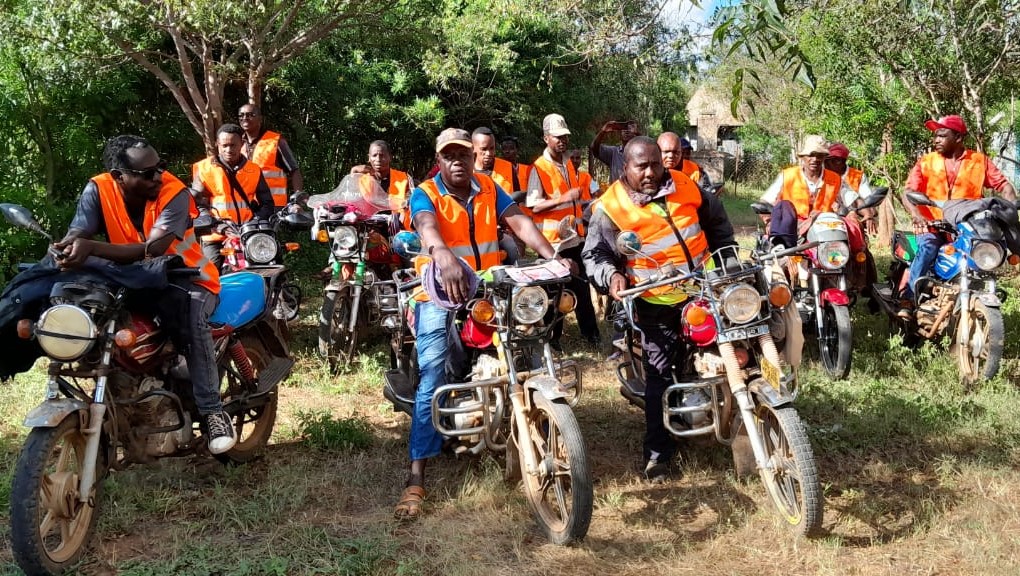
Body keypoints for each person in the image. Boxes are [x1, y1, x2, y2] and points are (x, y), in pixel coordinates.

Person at [394, 128, 570, 520]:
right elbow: (426, 227)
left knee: (529, 350)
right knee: (434, 373)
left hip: (490, 289)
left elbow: (519, 222)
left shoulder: (489, 187)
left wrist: (550, 255)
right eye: (449, 156)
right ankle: (416, 476)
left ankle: (545, 433)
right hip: (439, 291)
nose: (457, 161)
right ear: (439, 161)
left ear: (474, 157)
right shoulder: (426, 192)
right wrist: (441, 256)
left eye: (463, 154)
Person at [54, 135, 235, 454]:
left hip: (189, 279)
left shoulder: (174, 191)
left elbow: (153, 250)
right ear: (118, 176)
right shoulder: (98, 188)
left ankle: (212, 413)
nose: (157, 176)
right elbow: (79, 230)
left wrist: (91, 248)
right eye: (146, 172)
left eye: (159, 167)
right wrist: (69, 246)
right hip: (134, 279)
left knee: (192, 318)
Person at [583, 136, 735, 482]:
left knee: (742, 346)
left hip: (703, 291)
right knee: (659, 375)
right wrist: (613, 277)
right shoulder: (611, 206)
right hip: (655, 300)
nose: (652, 172)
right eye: (642, 166)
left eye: (656, 164)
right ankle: (657, 455)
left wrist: (727, 254)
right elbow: (595, 255)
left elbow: (716, 221)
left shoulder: (685, 184)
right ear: (625, 167)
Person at [900, 115, 1016, 313]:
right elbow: (908, 192)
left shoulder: (979, 161)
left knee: (984, 256)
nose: (936, 140)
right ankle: (909, 299)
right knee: (928, 248)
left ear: (958, 138)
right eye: (935, 136)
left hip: (968, 226)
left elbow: (1004, 186)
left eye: (942, 136)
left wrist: (1009, 207)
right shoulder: (926, 161)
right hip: (932, 225)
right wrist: (916, 214)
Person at [527, 113, 601, 348]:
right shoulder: (538, 169)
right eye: (557, 137)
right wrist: (563, 198)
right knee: (553, 294)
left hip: (574, 238)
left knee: (581, 287)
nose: (562, 141)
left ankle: (592, 335)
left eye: (565, 137)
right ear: (546, 138)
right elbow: (534, 206)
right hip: (553, 245)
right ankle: (551, 338)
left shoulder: (567, 163)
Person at [192, 124, 275, 268]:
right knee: (210, 276)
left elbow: (267, 202)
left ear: (242, 144)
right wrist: (218, 225)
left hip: (249, 233)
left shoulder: (253, 169)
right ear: (217, 144)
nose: (228, 150)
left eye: (233, 145)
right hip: (216, 235)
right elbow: (198, 204)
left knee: (270, 269)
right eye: (224, 145)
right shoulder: (204, 168)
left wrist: (255, 221)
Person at [759, 134, 850, 248]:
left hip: (824, 231)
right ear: (803, 157)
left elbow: (852, 200)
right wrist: (769, 221)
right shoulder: (788, 175)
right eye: (811, 155)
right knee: (779, 256)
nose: (815, 159)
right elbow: (765, 201)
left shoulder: (835, 178)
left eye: (819, 155)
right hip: (791, 231)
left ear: (824, 157)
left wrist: (865, 211)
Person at [238, 104, 304, 209]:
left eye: (250, 115)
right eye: (241, 115)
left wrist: (297, 201)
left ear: (260, 119)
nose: (245, 118)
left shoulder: (275, 141)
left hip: (274, 206)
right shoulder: (238, 144)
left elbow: (294, 170)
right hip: (248, 206)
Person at [351, 140, 415, 229]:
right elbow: (350, 203)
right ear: (369, 158)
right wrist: (353, 172)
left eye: (382, 156)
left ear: (390, 157)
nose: (378, 159)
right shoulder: (361, 179)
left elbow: (412, 203)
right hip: (368, 229)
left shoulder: (404, 178)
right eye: (374, 155)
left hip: (398, 229)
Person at [825, 142, 878, 235]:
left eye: (828, 161)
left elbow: (868, 201)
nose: (825, 164)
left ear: (840, 161)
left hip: (856, 216)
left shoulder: (857, 176)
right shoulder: (824, 175)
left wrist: (867, 214)